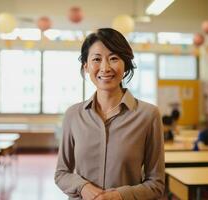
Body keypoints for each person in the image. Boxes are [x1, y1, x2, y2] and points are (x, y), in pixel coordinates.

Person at [54, 28, 165, 200]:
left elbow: (156, 184)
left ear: (125, 64)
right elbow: (62, 174)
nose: (105, 68)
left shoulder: (149, 115)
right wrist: (83, 187)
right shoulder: (73, 115)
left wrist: (121, 195)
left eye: (114, 58)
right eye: (97, 59)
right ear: (86, 66)